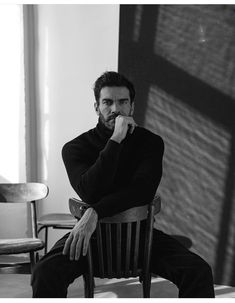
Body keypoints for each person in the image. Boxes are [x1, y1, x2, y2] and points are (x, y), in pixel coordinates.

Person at [31, 71, 215, 298]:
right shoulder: (75, 148)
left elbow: (142, 191)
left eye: (122, 102)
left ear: (132, 107)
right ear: (97, 107)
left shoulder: (150, 143)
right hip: (91, 238)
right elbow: (90, 190)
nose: (115, 109)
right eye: (107, 102)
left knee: (199, 272)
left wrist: (96, 211)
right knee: (44, 273)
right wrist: (115, 140)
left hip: (141, 237)